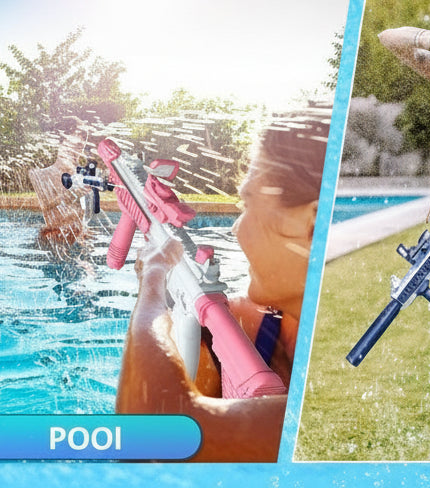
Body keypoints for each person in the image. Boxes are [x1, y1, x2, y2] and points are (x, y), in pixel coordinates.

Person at [116, 106, 328, 461]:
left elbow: (151, 431)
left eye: (246, 204)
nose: (235, 227)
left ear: (311, 224)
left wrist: (152, 282)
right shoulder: (249, 326)